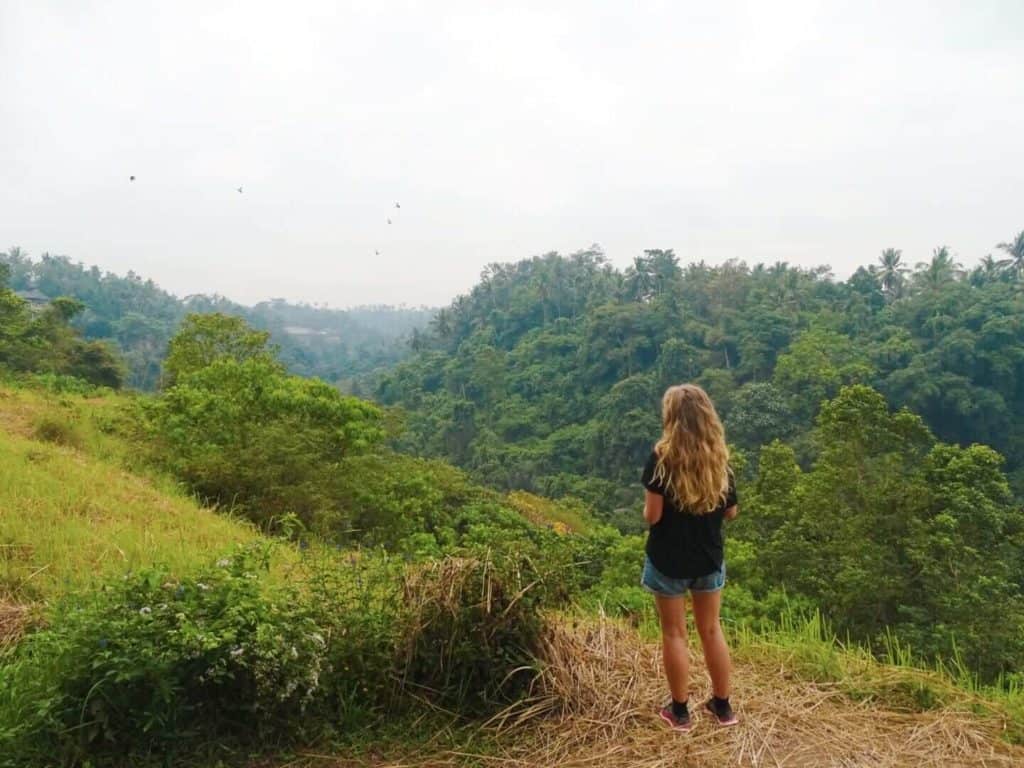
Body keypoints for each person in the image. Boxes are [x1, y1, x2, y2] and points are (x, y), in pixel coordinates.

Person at [640, 383, 739, 732]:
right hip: (708, 557)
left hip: (668, 560)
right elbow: (731, 512)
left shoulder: (661, 459)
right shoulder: (719, 457)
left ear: (672, 417)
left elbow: (652, 516)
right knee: (711, 630)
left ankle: (680, 712)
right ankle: (723, 707)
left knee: (675, 634)